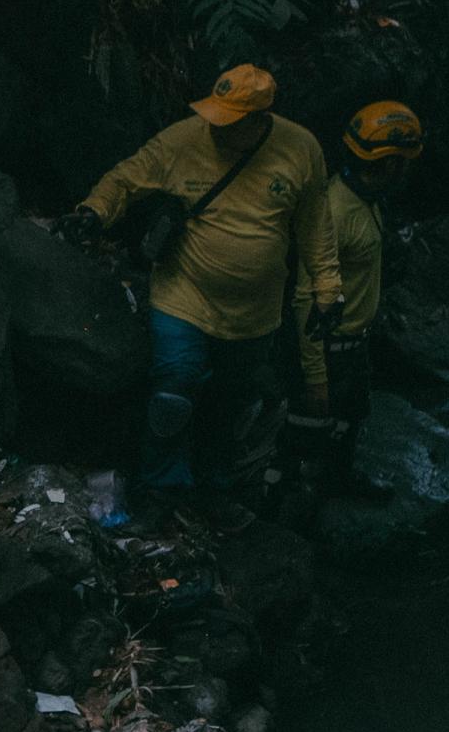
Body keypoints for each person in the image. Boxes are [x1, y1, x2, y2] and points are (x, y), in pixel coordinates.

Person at [58, 64, 338, 521]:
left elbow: (315, 227)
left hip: (255, 312)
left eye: (229, 121)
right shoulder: (184, 140)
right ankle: (163, 487)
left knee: (229, 404)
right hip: (184, 294)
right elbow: (128, 177)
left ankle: (215, 487)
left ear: (259, 119)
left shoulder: (300, 149)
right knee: (174, 391)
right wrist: (94, 211)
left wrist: (328, 290)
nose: (215, 127)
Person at [287, 100, 423, 483]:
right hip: (329, 350)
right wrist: (314, 376)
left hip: (354, 344)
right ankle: (295, 511)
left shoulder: (367, 201)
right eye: (404, 162)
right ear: (390, 163)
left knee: (350, 419)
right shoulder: (335, 213)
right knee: (309, 434)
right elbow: (304, 297)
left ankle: (338, 479)